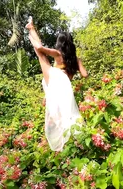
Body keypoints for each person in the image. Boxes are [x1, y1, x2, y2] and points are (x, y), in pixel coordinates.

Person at [26, 17, 88, 151]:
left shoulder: (58, 53)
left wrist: (30, 38)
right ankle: (73, 143)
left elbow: (39, 47)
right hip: (64, 87)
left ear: (60, 43)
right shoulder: (76, 59)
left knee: (40, 55)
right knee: (65, 115)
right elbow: (85, 74)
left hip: (56, 80)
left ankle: (31, 28)